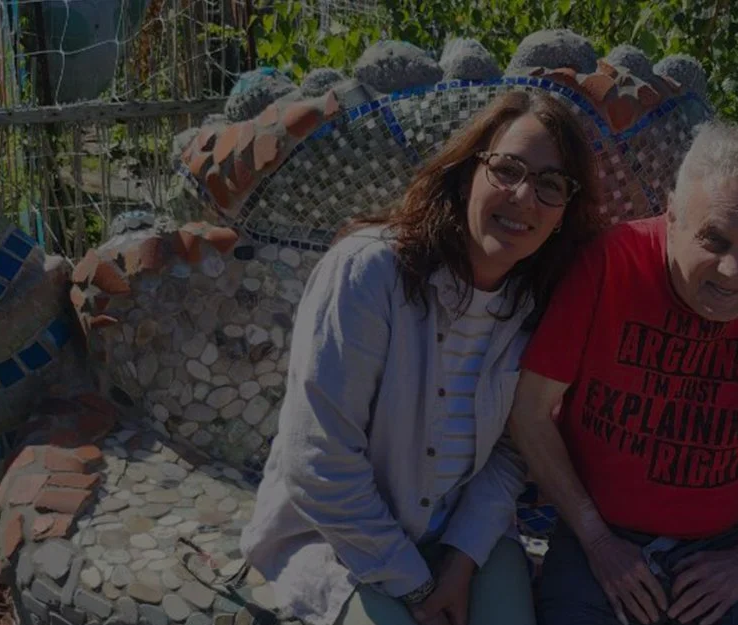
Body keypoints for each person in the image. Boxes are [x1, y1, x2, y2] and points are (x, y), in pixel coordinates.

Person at [240, 90, 606, 625]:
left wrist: (458, 565)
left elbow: (510, 453)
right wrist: (415, 586)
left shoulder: (536, 305)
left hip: (462, 535)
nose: (525, 196)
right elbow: (318, 462)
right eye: (507, 169)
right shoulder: (368, 275)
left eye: (551, 184)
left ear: (564, 214)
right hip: (340, 540)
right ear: (465, 175)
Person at [506, 120, 738, 625]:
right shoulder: (611, 263)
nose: (732, 271)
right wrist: (596, 539)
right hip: (599, 539)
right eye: (714, 240)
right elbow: (530, 411)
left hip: (724, 548)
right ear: (672, 215)